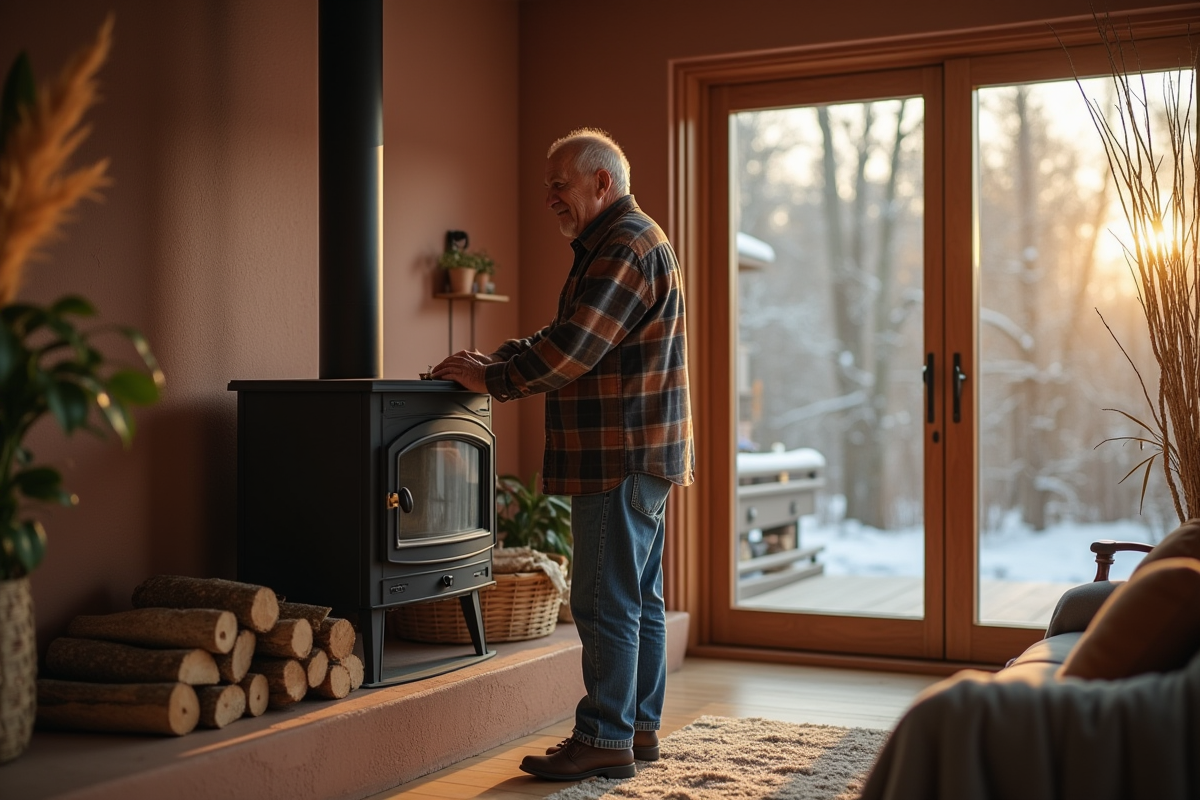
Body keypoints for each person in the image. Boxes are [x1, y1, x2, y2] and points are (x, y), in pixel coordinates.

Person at [431, 127, 694, 781]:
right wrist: (503, 357)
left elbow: (576, 348)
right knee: (637, 598)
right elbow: (568, 333)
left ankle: (604, 736)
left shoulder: (625, 244)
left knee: (604, 601)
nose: (549, 195)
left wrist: (493, 380)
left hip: (618, 452)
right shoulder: (613, 243)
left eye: (560, 183)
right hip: (637, 452)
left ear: (602, 181)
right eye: (546, 184)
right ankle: (634, 730)